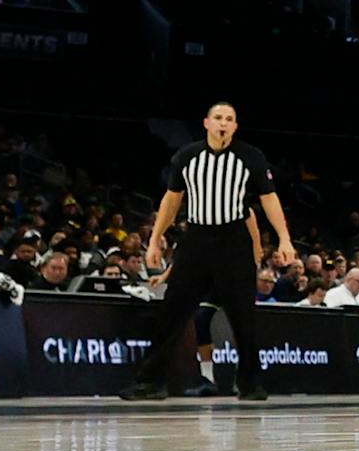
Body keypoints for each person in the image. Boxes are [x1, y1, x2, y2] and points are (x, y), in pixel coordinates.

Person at [122, 103, 296, 401]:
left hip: (234, 238)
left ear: (236, 127)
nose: (223, 123)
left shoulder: (250, 156)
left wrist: (284, 239)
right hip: (197, 238)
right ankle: (150, 381)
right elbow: (171, 199)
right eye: (218, 118)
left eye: (229, 119)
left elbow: (268, 199)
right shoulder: (187, 156)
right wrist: (155, 239)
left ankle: (251, 383)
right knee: (173, 311)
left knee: (243, 314)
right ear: (206, 123)